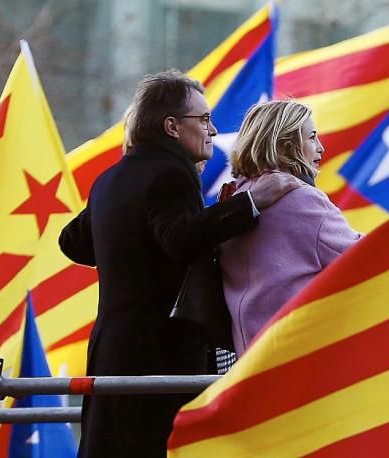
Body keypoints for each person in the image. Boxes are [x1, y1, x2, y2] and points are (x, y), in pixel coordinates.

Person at [58, 70, 299, 458]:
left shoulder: (111, 178)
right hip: (163, 352)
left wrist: (130, 257)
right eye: (203, 119)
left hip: (112, 347)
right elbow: (180, 238)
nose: (212, 129)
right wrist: (252, 202)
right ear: (171, 126)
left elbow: (74, 241)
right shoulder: (171, 173)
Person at [220, 99, 360, 354]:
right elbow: (362, 256)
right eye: (312, 137)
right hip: (299, 351)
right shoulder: (300, 199)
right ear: (287, 145)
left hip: (247, 356)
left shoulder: (236, 199)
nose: (321, 148)